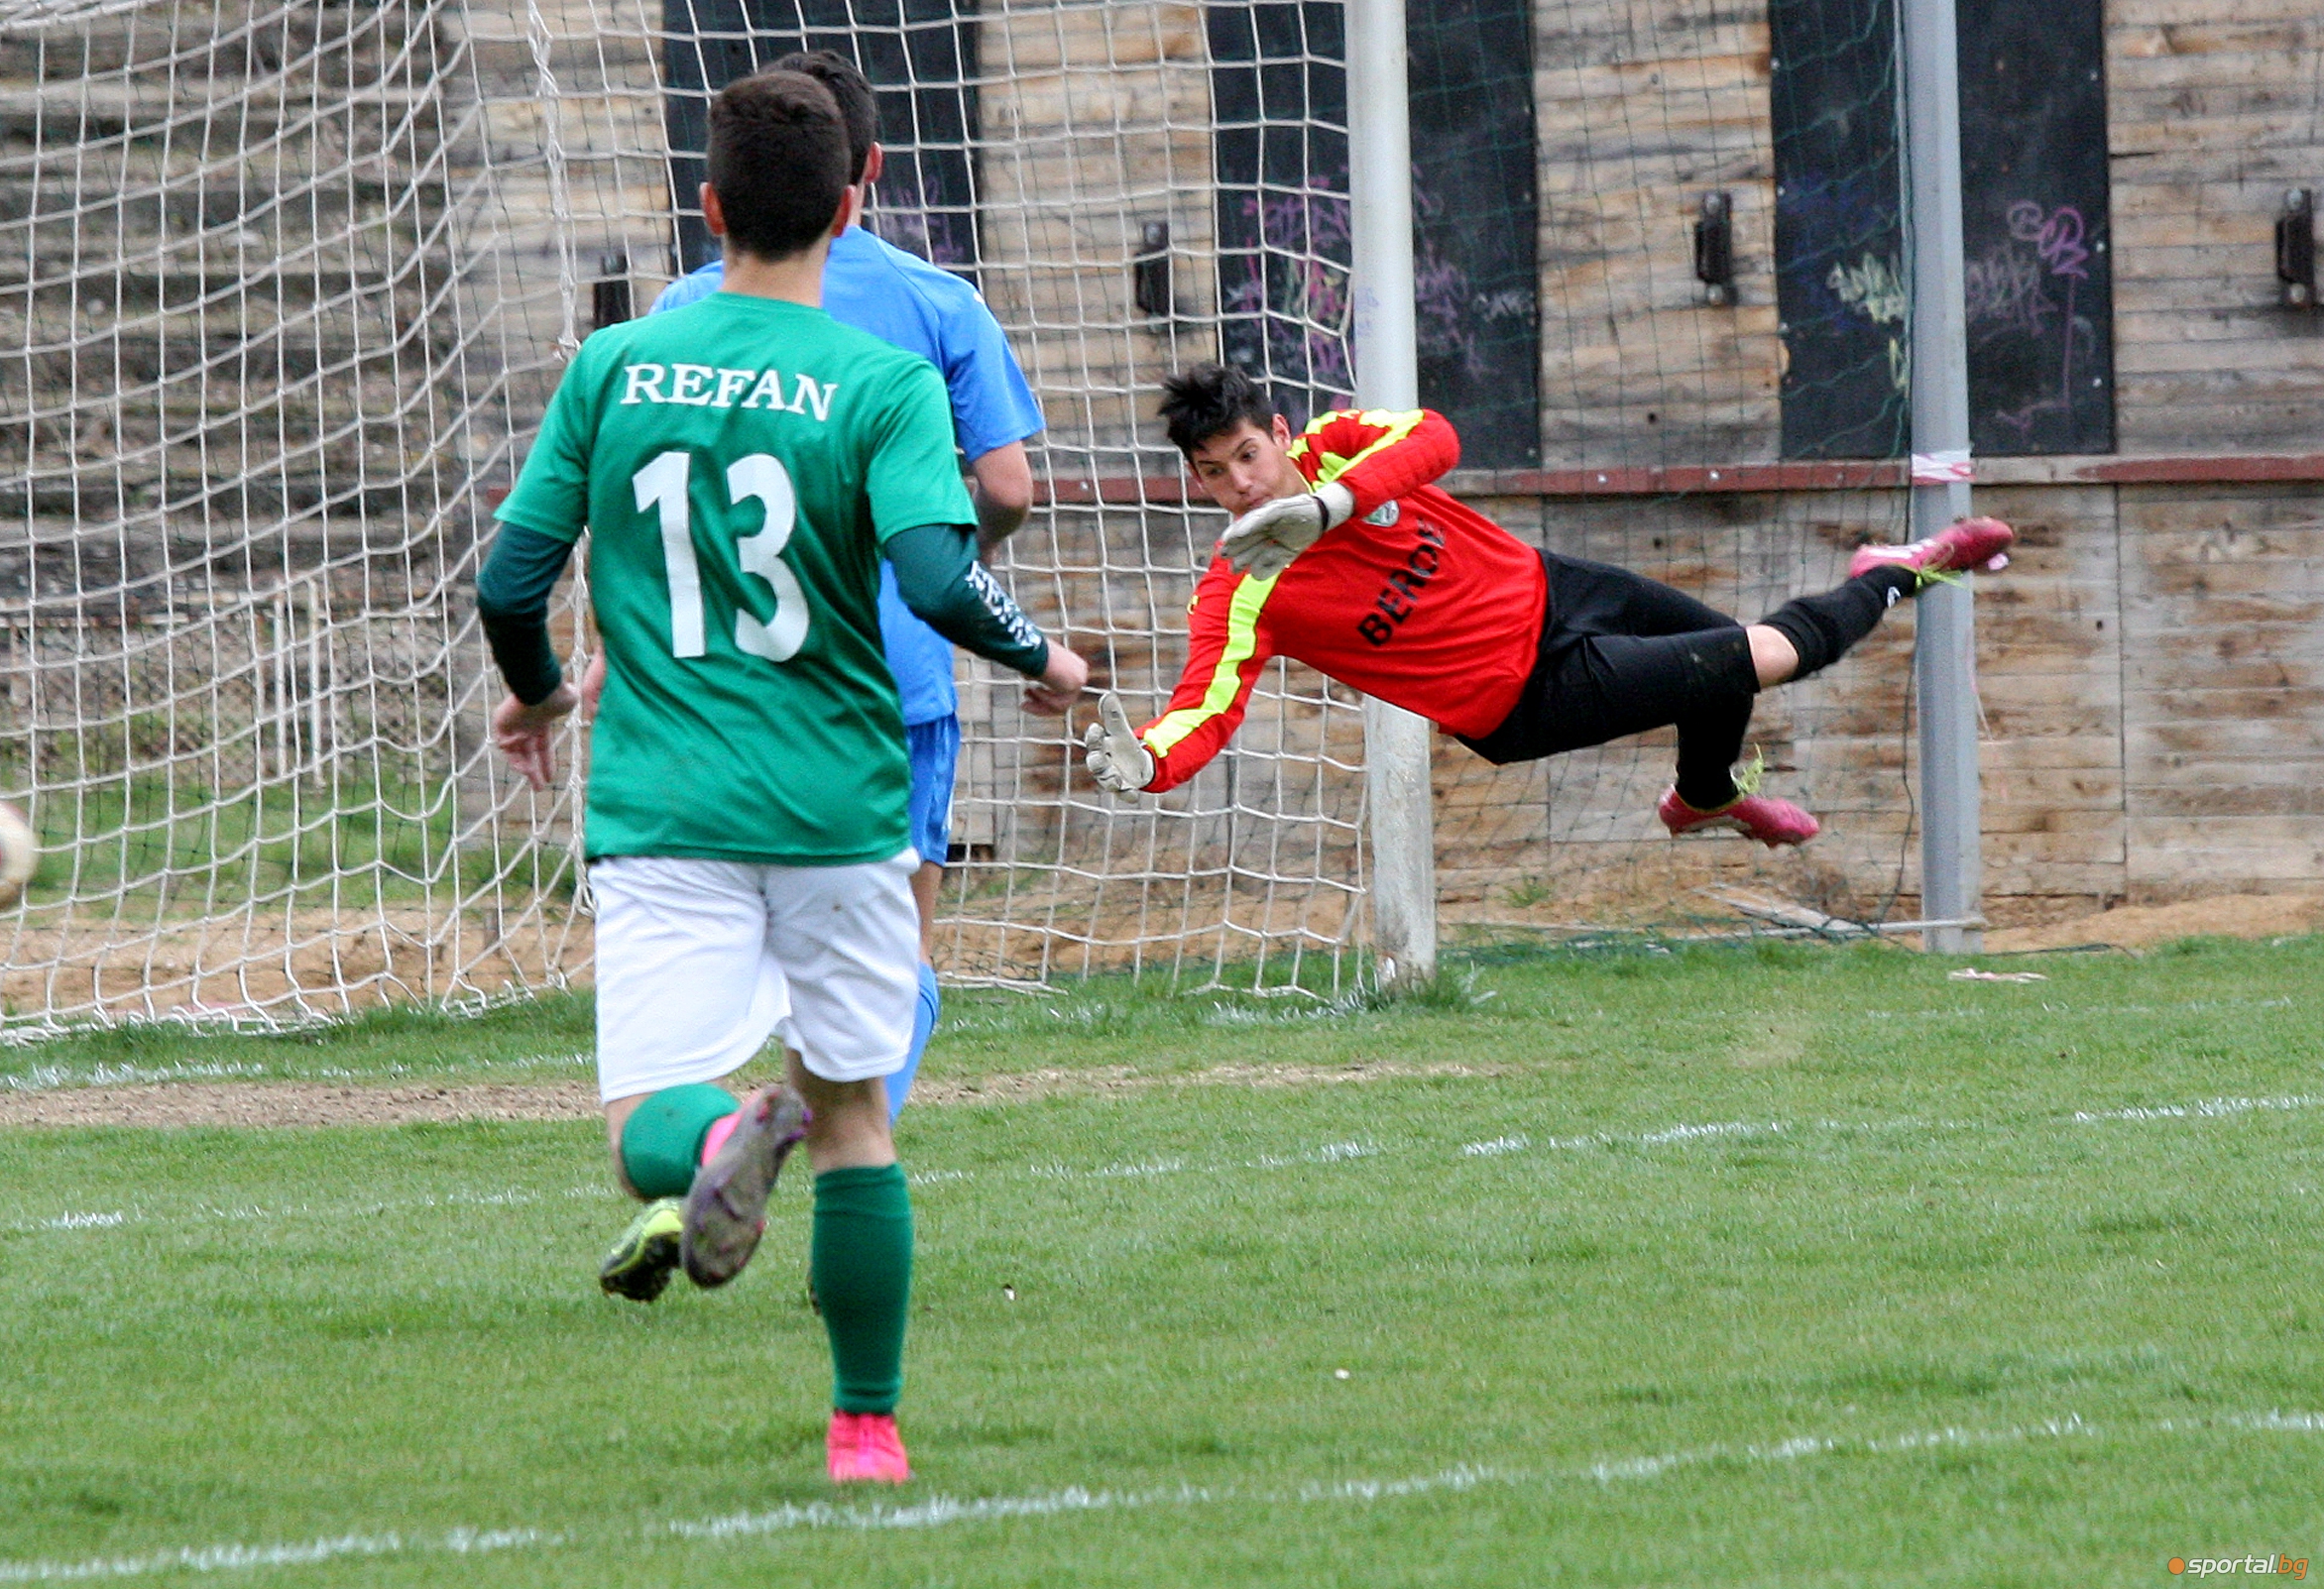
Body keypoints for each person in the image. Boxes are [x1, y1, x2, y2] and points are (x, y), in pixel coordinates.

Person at [476, 69, 1088, 1485]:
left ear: (708, 209)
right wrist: (1040, 654)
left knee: (643, 1136)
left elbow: (511, 577)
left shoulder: (617, 362)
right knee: (860, 1113)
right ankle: (865, 1425)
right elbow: (941, 576)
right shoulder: (882, 380)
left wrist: (541, 691)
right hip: (840, 802)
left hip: (665, 801)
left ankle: (727, 1132)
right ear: (852, 204)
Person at [584, 49, 1045, 1125]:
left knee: (697, 954)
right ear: (862, 174)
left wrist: (610, 643)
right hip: (892, 675)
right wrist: (919, 550)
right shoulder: (936, 303)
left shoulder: (677, 314)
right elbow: (1009, 487)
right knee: (886, 960)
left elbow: (639, 502)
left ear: (718, 200)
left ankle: (687, 1150)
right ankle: (840, 1139)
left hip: (705, 681)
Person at [1084, 363, 2011, 840]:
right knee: (1766, 654)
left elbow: (1435, 436)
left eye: (1247, 456)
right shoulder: (1242, 585)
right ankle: (1901, 571)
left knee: (1722, 659)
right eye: (1213, 474)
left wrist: (1334, 503)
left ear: (1280, 434)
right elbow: (1202, 707)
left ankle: (1701, 798)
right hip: (1524, 696)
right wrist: (1150, 763)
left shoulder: (1337, 450)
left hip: (1556, 587)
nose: (1239, 484)